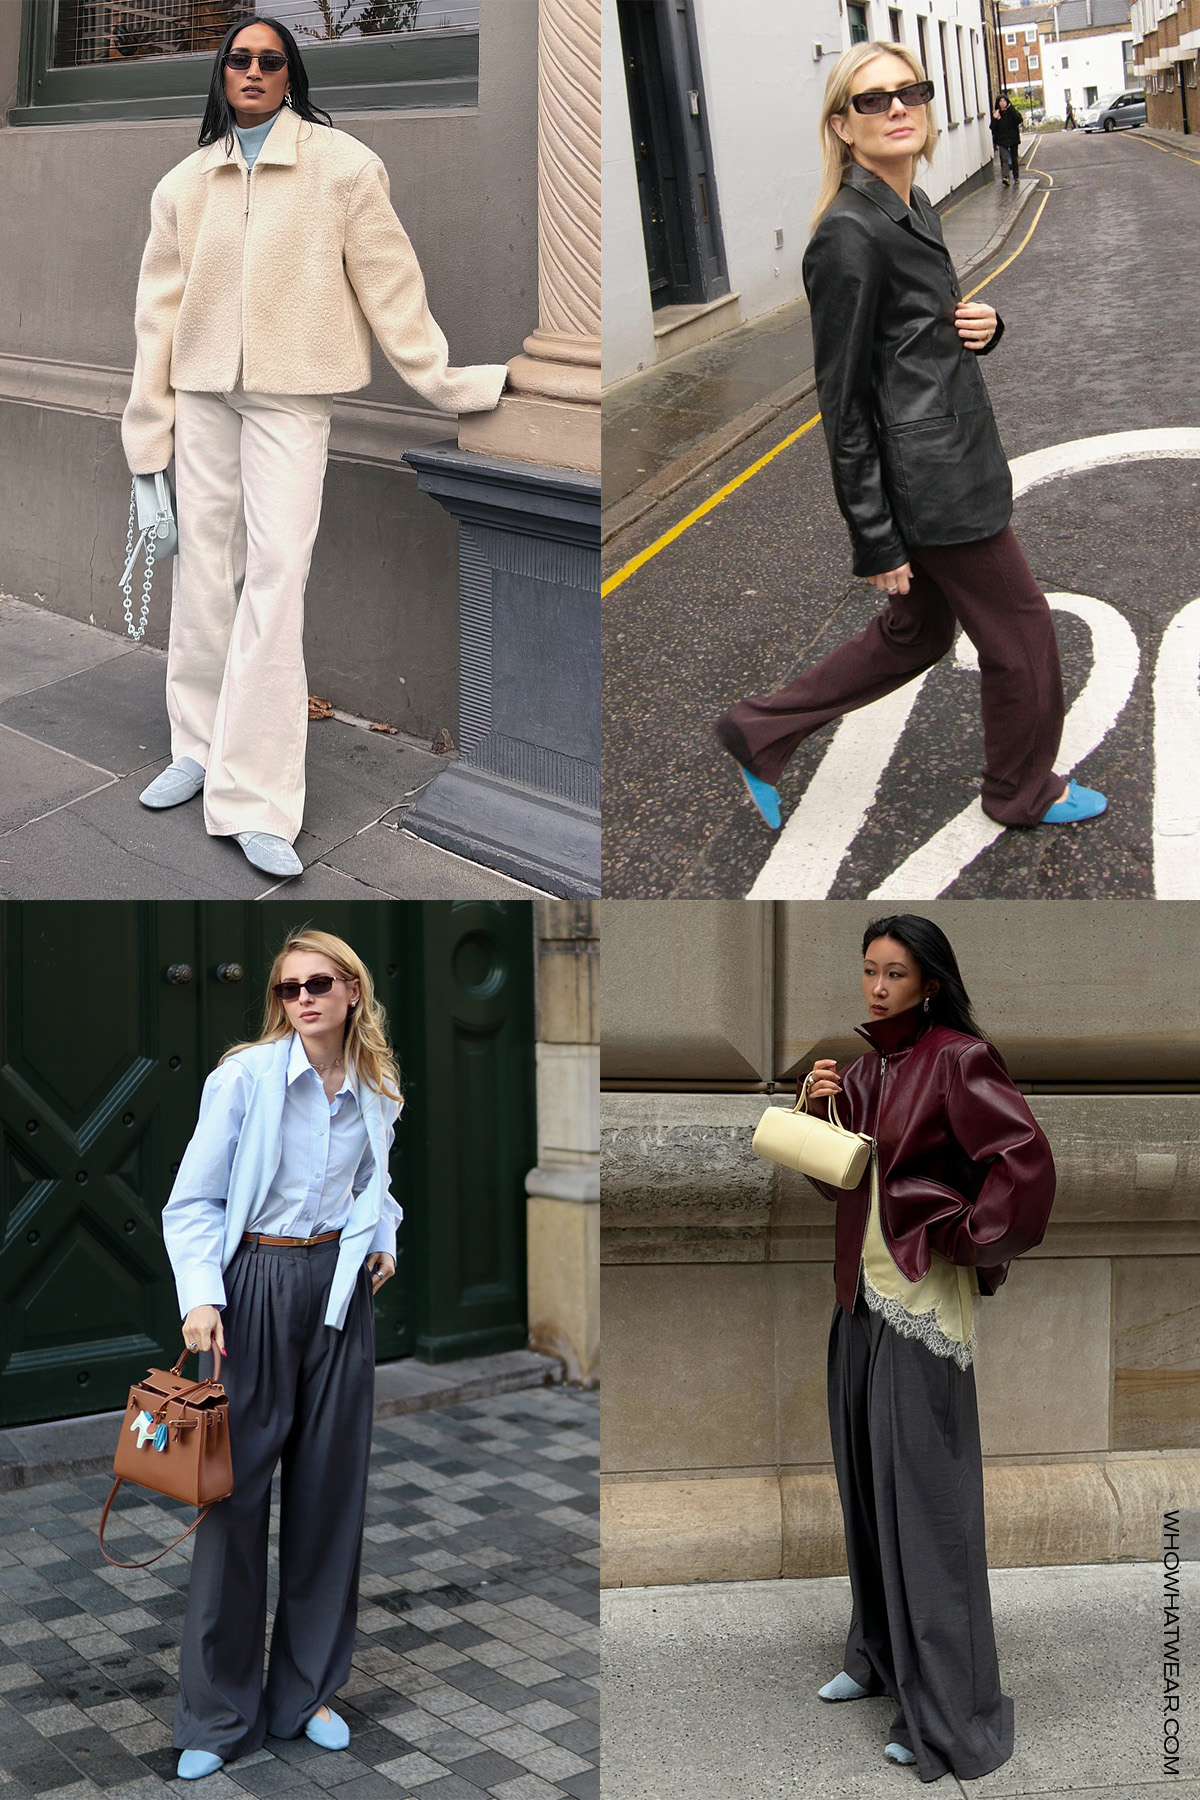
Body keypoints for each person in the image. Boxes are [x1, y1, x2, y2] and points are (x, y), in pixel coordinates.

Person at [122, 13, 507, 881]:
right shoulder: (185, 184)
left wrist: (449, 384)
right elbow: (156, 319)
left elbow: (391, 283)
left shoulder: (343, 167)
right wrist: (148, 440)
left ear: (291, 76)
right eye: (238, 59)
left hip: (293, 397)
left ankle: (255, 796)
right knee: (202, 568)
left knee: (277, 576)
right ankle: (197, 744)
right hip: (203, 395)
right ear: (219, 76)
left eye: (271, 60)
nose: (253, 71)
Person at [713, 42, 1106, 833]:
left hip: (946, 453)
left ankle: (757, 730)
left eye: (911, 92)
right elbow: (843, 398)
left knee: (918, 633)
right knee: (1024, 636)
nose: (898, 107)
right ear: (841, 126)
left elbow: (915, 342)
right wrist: (876, 538)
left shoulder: (911, 204)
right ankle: (1020, 791)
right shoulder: (848, 234)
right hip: (934, 480)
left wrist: (983, 328)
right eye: (872, 100)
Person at [802, 914, 1055, 1781]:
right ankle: (877, 1657)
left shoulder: (958, 1059)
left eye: (894, 974)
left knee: (927, 1512)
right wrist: (816, 1113)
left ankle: (947, 1710)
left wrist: (961, 1237)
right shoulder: (867, 1069)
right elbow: (844, 1177)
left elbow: (1023, 1165)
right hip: (856, 1303)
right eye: (869, 970)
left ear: (930, 983)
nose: (876, 987)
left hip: (916, 1302)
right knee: (869, 1497)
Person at [161, 928, 403, 1778]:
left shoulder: (377, 1086)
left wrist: (386, 1238)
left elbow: (376, 1182)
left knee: (329, 1497)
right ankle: (216, 1718)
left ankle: (306, 1694)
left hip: (338, 1296)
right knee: (232, 1504)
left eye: (319, 983)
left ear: (351, 994)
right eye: (288, 987)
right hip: (254, 1287)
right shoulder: (245, 1080)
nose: (302, 998)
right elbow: (192, 1200)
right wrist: (201, 1296)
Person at [991, 92, 1023, 183]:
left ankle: (1016, 177)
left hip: (1013, 139)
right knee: (1004, 159)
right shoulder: (997, 114)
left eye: (1004, 100)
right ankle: (1006, 177)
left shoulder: (1012, 112)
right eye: (1000, 101)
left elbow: (1019, 120)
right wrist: (994, 118)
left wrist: (1011, 108)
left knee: (1014, 158)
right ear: (998, 103)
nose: (1002, 102)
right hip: (1002, 140)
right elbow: (992, 128)